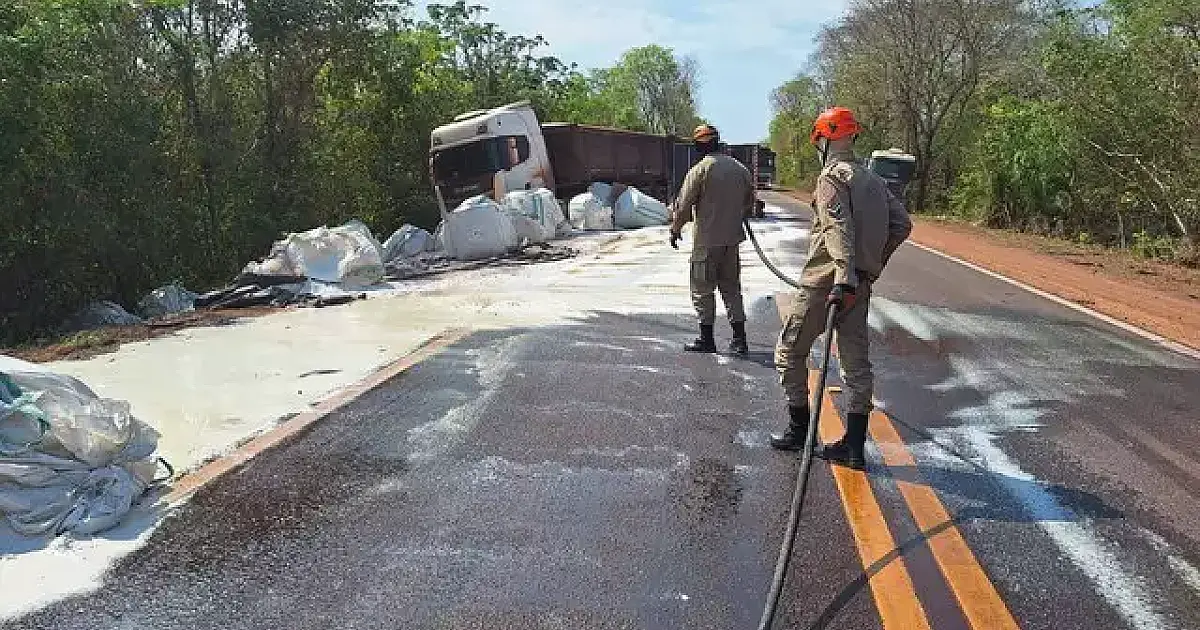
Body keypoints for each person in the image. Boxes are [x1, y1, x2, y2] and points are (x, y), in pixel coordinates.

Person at [768, 107, 912, 470]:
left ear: (823, 139)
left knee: (789, 350)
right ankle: (853, 445)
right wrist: (870, 268)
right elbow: (902, 225)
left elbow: (837, 227)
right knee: (855, 364)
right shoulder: (873, 180)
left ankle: (799, 431)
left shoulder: (832, 178)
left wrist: (844, 275)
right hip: (857, 285)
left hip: (827, 285)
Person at [669, 123, 758, 355]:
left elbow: (684, 204)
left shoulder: (701, 169)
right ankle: (740, 340)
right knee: (731, 289)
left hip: (707, 242)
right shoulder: (741, 169)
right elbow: (750, 201)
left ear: (700, 145)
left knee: (702, 289)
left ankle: (706, 339)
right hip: (731, 241)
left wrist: (675, 229)